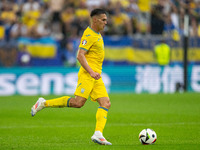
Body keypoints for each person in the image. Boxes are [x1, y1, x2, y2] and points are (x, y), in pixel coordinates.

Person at [31, 8, 112, 145]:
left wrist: (94, 73)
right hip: (89, 74)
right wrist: (91, 72)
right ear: (95, 20)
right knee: (78, 103)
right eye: (103, 20)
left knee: (106, 103)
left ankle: (98, 134)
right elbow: (80, 55)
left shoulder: (97, 34)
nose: (106, 22)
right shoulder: (89, 35)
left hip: (96, 75)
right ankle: (44, 103)